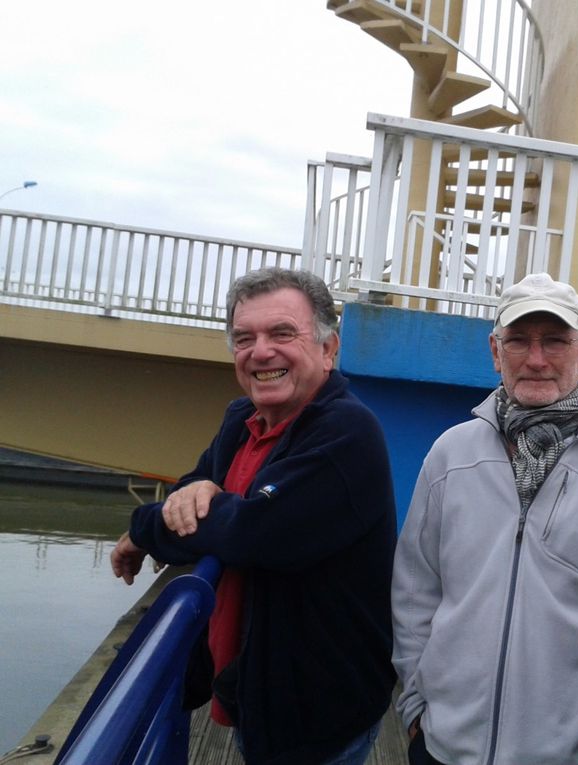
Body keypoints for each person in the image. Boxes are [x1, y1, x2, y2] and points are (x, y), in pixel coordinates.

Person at [391, 272, 578, 765]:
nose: (535, 359)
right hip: (443, 747)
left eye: (555, 341)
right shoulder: (451, 454)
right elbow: (415, 589)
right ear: (494, 350)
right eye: (518, 342)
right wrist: (418, 706)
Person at [111, 267, 397, 765]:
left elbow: (252, 535)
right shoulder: (239, 421)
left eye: (282, 333)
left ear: (328, 349)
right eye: (244, 338)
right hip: (251, 690)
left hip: (315, 716)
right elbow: (188, 505)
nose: (260, 351)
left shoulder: (347, 432)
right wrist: (195, 502)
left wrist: (143, 531)